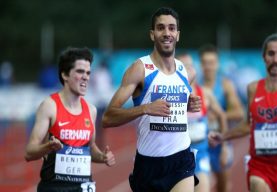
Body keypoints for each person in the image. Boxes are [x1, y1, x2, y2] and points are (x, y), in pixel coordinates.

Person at [102, 7, 201, 192]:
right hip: (148, 165)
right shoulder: (140, 69)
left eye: (172, 28)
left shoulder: (187, 72)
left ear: (178, 35)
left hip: (181, 161)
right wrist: (145, 108)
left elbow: (176, 106)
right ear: (152, 34)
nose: (167, 33)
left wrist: (185, 105)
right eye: (161, 28)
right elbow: (108, 118)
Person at [209, 33, 277, 192]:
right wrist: (223, 136)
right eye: (271, 53)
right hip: (260, 166)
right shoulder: (253, 89)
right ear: (264, 57)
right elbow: (248, 124)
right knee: (257, 184)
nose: (275, 59)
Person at [25, 47, 115, 192]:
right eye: (80, 72)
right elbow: (29, 152)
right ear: (65, 75)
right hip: (55, 187)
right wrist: (47, 147)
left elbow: (90, 148)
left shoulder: (91, 110)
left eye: (88, 73)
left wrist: (102, 157)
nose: (86, 77)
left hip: (83, 187)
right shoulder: (49, 106)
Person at [177, 52, 228, 192]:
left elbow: (222, 116)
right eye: (182, 66)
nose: (187, 70)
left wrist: (223, 146)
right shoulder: (172, 95)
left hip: (200, 153)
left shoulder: (204, 93)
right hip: (177, 154)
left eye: (189, 66)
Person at [199, 44, 244, 192]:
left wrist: (220, 114)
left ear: (217, 64)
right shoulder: (195, 86)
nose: (208, 67)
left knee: (223, 185)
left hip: (220, 140)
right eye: (205, 63)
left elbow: (239, 112)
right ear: (201, 64)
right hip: (200, 142)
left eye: (211, 63)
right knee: (198, 184)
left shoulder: (225, 85)